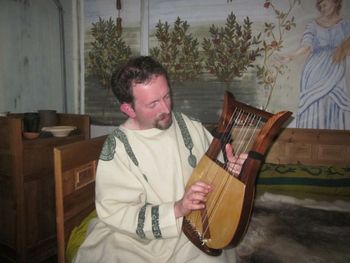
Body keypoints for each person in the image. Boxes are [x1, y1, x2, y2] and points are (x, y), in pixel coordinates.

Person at [73, 56, 246, 263]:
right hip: (134, 239)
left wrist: (231, 172)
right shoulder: (118, 148)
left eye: (166, 96)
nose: (165, 109)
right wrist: (176, 209)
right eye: (153, 103)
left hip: (191, 230)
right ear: (128, 109)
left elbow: (216, 177)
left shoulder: (188, 126)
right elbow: (116, 211)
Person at [275, 0, 350, 129]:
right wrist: (292, 56)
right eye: (320, 6)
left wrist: (342, 50)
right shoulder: (313, 25)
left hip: (336, 68)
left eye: (325, 4)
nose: (322, 8)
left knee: (333, 101)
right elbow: (306, 46)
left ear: (336, 3)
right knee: (315, 103)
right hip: (314, 70)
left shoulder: (346, 24)